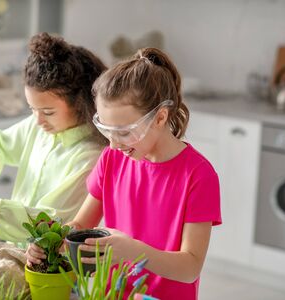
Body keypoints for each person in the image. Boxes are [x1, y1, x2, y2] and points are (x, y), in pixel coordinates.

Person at [26, 47, 221, 299]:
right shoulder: (112, 158)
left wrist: (134, 251)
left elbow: (190, 268)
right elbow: (80, 226)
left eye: (125, 131)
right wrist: (49, 243)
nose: (114, 143)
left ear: (160, 117)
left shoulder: (198, 175)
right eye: (107, 131)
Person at [0, 32, 107, 246]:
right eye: (32, 109)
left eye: (47, 112)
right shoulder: (39, 128)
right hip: (16, 251)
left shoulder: (91, 156)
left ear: (80, 103)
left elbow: (52, 222)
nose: (38, 121)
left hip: (52, 265)